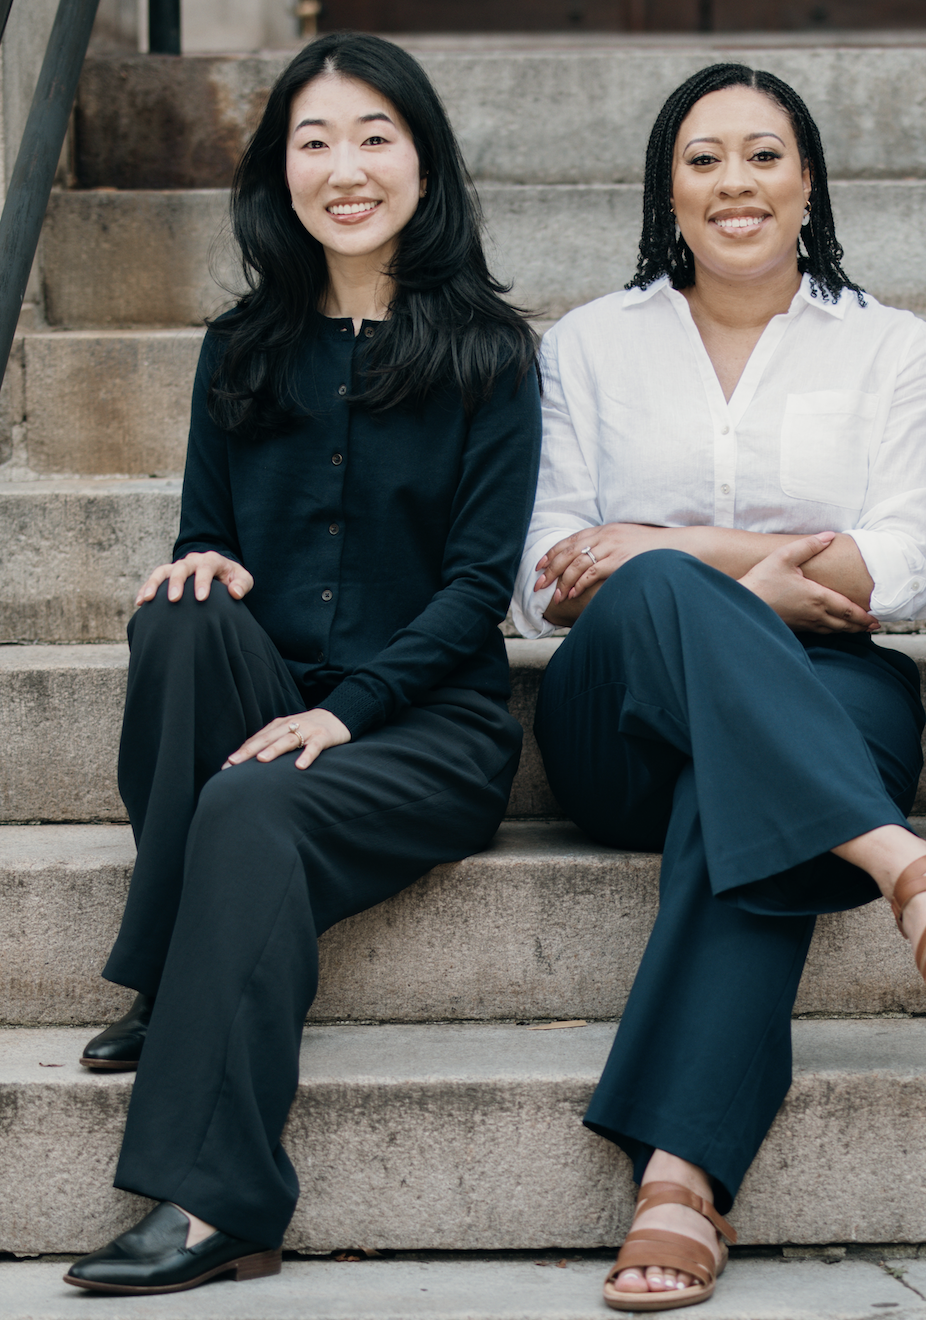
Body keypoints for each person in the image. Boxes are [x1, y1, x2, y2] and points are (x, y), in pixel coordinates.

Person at [512, 62, 926, 1312]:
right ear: (666, 189)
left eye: (763, 155)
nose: (734, 182)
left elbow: (898, 565)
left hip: (831, 680)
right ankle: (908, 868)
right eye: (703, 158)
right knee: (665, 597)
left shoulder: (892, 347)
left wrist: (666, 542)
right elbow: (549, 575)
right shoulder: (588, 343)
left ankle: (680, 1176)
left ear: (808, 183)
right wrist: (723, 575)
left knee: (732, 781)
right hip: (616, 704)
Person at [65, 33, 541, 1295]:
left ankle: (221, 1203)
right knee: (179, 612)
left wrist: (353, 715)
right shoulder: (240, 348)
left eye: (375, 135)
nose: (346, 166)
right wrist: (205, 562)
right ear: (281, 175)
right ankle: (180, 968)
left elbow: (478, 593)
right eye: (313, 140)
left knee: (254, 796)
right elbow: (204, 537)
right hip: (268, 699)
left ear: (424, 164)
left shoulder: (490, 354)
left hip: (427, 730)